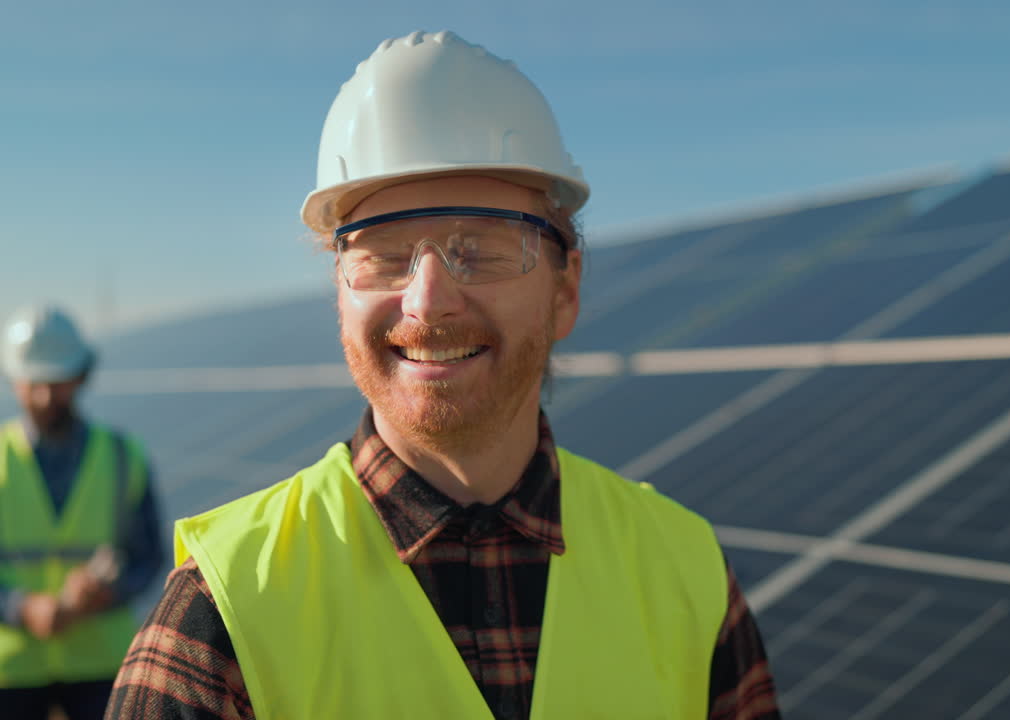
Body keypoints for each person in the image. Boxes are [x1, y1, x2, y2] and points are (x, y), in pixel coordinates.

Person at [109, 30, 780, 719]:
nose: (428, 302)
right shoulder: (219, 616)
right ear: (340, 291)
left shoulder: (687, 572)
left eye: (480, 248)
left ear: (566, 289)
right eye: (382, 254)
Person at [0, 305, 164, 720]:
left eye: (56, 383)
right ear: (13, 380)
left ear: (80, 376)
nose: (45, 397)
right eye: (33, 383)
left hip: (103, 666)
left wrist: (108, 592)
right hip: (10, 668)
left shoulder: (124, 456)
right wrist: (21, 607)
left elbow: (148, 555)